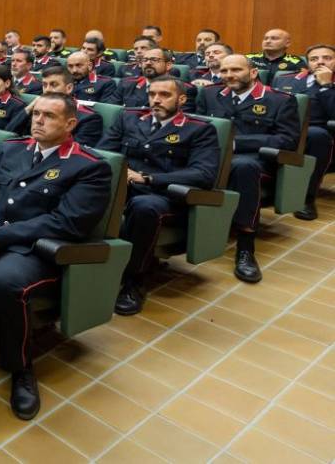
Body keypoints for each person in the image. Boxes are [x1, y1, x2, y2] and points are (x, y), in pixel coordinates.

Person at [0, 93, 111, 420]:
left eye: (49, 116)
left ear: (70, 124)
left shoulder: (89, 166)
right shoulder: (12, 148)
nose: (38, 120)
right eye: (36, 114)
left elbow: (65, 223)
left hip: (37, 249)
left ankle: (21, 367)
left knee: (5, 281)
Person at [98, 77, 220, 315]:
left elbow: (203, 174)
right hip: (126, 186)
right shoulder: (129, 117)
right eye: (152, 94)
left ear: (181, 99)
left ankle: (134, 281)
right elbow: (105, 152)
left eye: (165, 95)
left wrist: (149, 178)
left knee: (144, 207)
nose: (156, 99)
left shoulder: (200, 129)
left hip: (165, 195)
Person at [196, 55, 300, 283]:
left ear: (253, 72)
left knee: (244, 167)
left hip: (255, 160)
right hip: (213, 155)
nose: (229, 75)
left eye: (236, 69)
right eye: (224, 71)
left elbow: (287, 140)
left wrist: (237, 143)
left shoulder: (281, 100)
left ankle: (245, 246)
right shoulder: (210, 93)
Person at [272, 44, 335, 221]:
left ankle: (307, 198)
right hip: (281, 127)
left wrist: (327, 86)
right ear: (307, 63)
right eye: (314, 59)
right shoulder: (286, 79)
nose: (320, 62)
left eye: (327, 58)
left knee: (318, 136)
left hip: (314, 131)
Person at [37, 67, 103, 146]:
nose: (47, 90)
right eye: (44, 85)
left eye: (54, 85)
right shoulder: (37, 110)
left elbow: (76, 152)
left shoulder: (89, 118)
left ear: (69, 88)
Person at [116, 48, 197, 111]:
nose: (148, 63)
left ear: (168, 65)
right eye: (145, 60)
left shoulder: (184, 89)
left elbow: (182, 121)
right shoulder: (126, 83)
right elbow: (116, 111)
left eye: (154, 60)